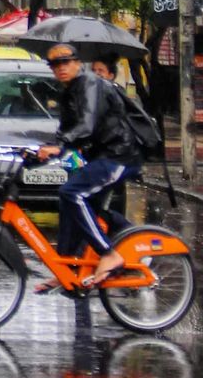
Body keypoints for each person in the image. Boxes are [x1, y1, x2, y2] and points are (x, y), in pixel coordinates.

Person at [37, 43, 142, 289]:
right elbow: (65, 131)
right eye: (55, 65)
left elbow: (86, 126)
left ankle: (109, 254)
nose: (61, 69)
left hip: (120, 155)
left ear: (77, 63)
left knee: (71, 193)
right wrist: (41, 152)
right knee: (72, 204)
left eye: (65, 63)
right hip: (102, 156)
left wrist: (60, 144)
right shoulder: (69, 91)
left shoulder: (89, 83)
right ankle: (66, 267)